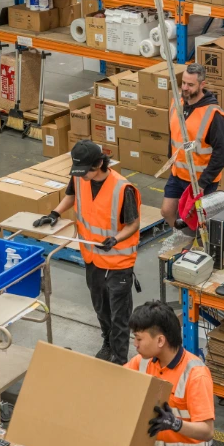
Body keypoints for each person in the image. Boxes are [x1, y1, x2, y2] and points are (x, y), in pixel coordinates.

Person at [34, 140, 141, 364]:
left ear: (99, 163)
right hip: (92, 256)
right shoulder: (79, 177)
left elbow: (133, 224)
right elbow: (71, 197)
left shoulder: (123, 188)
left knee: (119, 314)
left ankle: (120, 359)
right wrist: (54, 213)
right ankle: (108, 342)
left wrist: (115, 239)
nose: (82, 176)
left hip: (118, 261)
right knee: (100, 307)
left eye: (86, 171)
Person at [125, 301, 214, 446]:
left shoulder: (195, 374)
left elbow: (207, 431)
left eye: (139, 339)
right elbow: (116, 383)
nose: (135, 344)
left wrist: (175, 424)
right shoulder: (143, 362)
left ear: (160, 341)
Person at [161, 63, 224, 230]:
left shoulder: (213, 114)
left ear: (202, 84)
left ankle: (196, 246)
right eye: (183, 83)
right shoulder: (176, 102)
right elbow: (173, 134)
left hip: (200, 179)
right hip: (178, 173)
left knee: (199, 222)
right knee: (167, 211)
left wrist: (203, 182)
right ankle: (181, 237)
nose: (185, 88)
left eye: (190, 85)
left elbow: (221, 154)